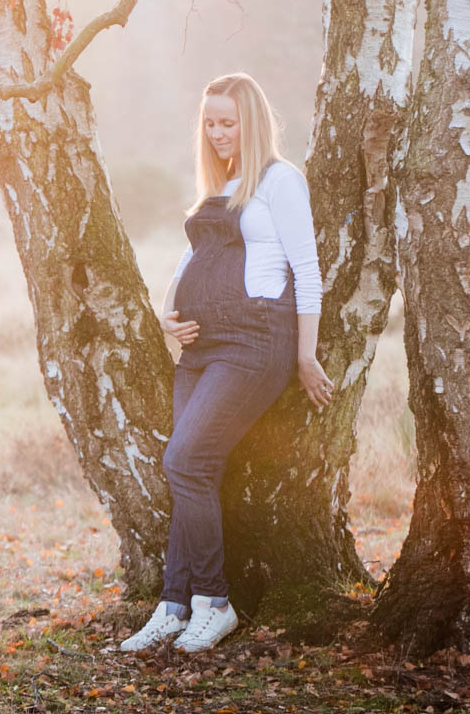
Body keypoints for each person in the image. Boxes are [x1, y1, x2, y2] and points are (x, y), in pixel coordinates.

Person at [118, 72, 335, 654]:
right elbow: (192, 259)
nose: (216, 133)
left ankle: (213, 602)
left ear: (253, 122)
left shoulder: (280, 181)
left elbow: (307, 272)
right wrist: (166, 314)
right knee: (193, 469)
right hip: (199, 348)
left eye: (227, 122)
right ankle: (173, 603)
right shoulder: (221, 185)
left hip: (253, 343)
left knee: (184, 460)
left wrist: (305, 353)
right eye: (209, 122)